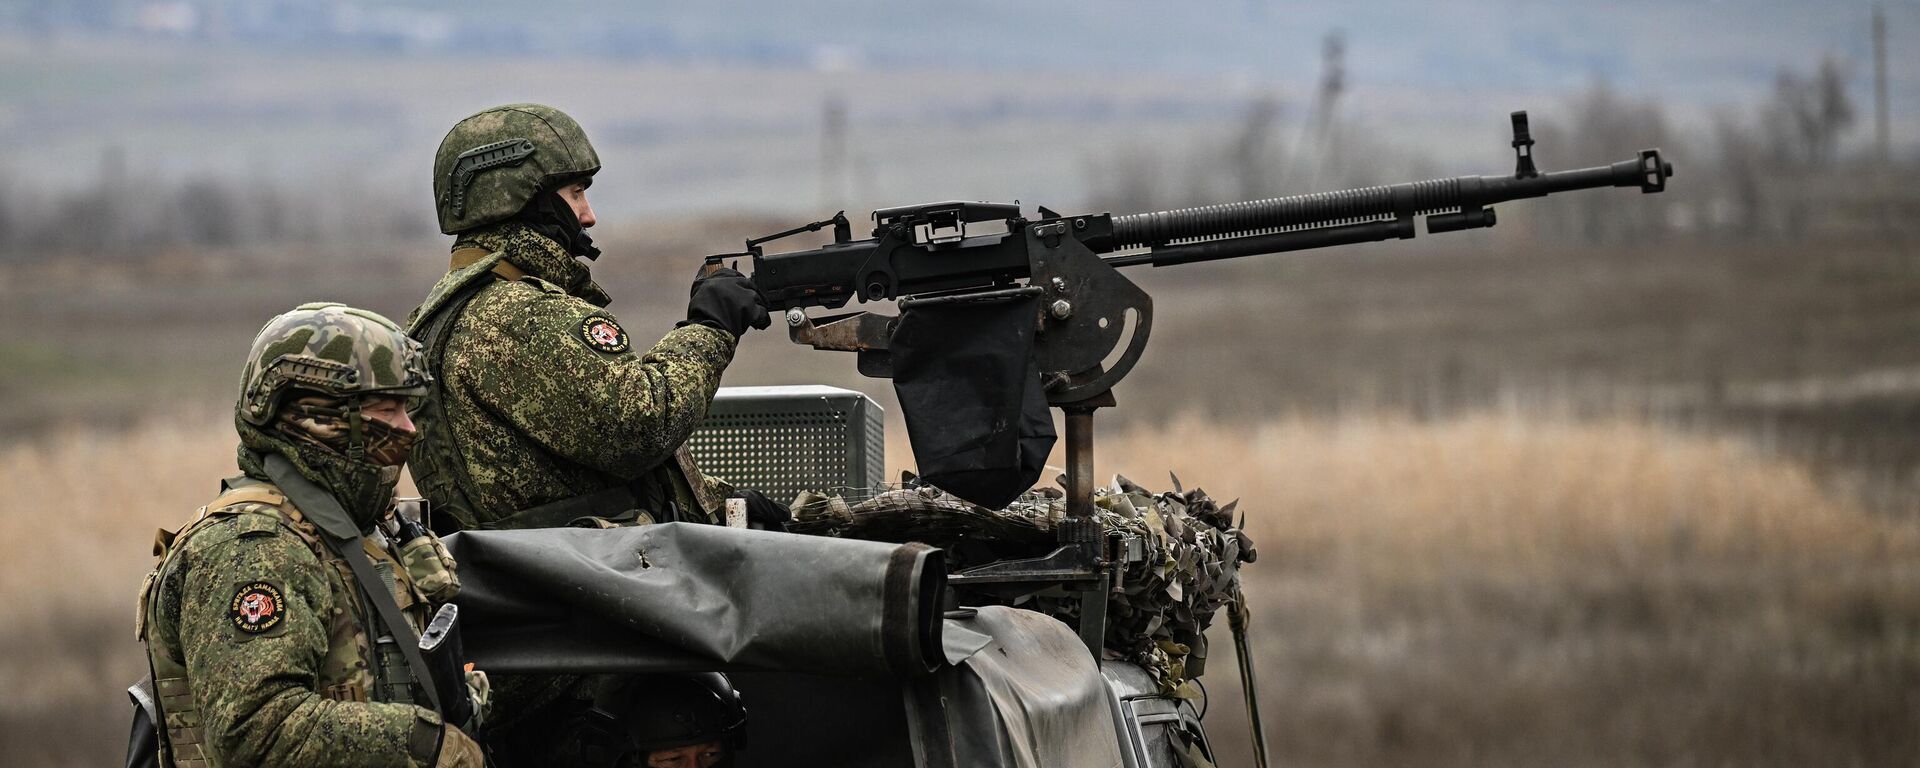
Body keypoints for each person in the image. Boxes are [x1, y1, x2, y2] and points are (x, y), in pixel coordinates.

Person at [133, 303, 488, 767]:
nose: (408, 428)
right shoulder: (252, 548)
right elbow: (258, 731)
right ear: (316, 418)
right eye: (388, 409)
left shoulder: (358, 527)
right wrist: (426, 745)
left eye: (407, 408)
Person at [408, 102, 781, 535]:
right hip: (585, 570)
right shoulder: (520, 315)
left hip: (546, 562)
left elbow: (563, 475)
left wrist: (717, 503)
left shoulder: (447, 310)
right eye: (575, 193)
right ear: (524, 199)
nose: (588, 215)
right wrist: (711, 327)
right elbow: (643, 426)